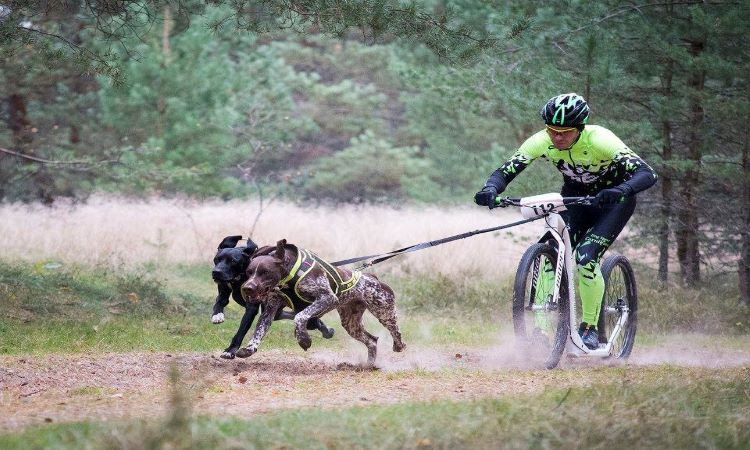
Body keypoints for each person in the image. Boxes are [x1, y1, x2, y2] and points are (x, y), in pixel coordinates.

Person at [474, 93, 657, 349]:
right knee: (550, 251)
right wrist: (491, 189)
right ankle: (541, 332)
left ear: (580, 129)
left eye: (565, 132)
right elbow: (507, 170)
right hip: (575, 200)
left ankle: (591, 328)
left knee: (585, 258)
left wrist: (621, 190)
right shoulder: (541, 141)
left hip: (613, 202)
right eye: (552, 131)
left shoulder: (601, 139)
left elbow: (647, 173)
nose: (556, 138)